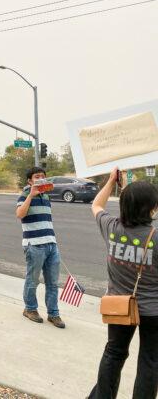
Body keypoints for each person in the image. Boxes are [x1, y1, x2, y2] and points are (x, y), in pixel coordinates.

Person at [89, 167, 158, 398]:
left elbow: (96, 205)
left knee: (114, 353)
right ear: (151, 208)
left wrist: (110, 182)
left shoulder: (112, 228)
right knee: (150, 361)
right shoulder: (155, 237)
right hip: (153, 311)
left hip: (119, 305)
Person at [15, 166, 65, 328]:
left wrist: (53, 242)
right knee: (33, 280)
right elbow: (20, 214)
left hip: (51, 244)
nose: (41, 179)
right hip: (34, 245)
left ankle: (54, 314)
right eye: (37, 177)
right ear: (30, 180)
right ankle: (30, 309)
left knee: (52, 282)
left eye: (43, 176)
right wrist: (31, 195)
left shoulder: (46, 196)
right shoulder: (24, 194)